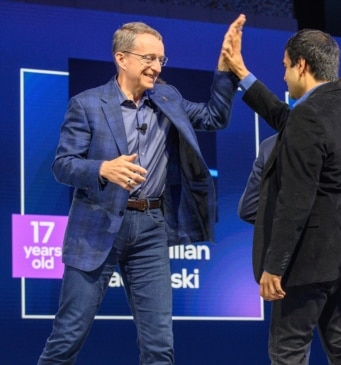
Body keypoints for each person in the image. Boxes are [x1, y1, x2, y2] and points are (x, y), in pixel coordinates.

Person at [37, 15, 246, 364]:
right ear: (122, 59)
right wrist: (103, 168)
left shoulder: (167, 97)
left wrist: (226, 71)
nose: (156, 66)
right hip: (97, 227)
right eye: (148, 58)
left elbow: (214, 118)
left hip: (150, 228)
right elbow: (63, 165)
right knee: (68, 336)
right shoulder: (87, 104)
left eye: (160, 59)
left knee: (159, 344)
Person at [223, 25, 341, 365]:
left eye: (284, 67)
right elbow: (289, 120)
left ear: (301, 65)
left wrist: (274, 267)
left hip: (310, 261)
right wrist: (242, 74)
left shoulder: (308, 116)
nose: (283, 77)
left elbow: (295, 201)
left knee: (287, 352)